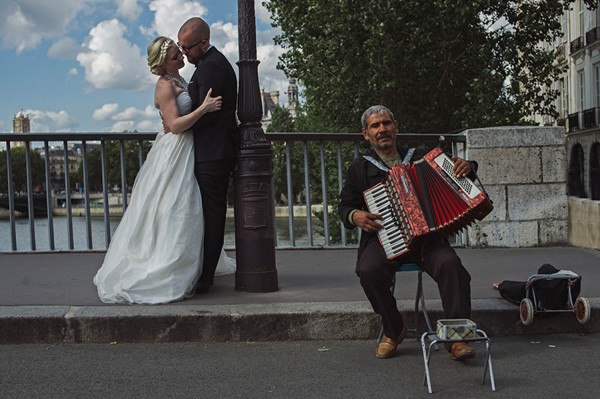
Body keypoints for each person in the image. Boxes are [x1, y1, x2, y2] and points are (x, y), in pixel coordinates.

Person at [93, 36, 235, 304]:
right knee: (172, 205)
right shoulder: (164, 86)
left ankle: (191, 260)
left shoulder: (180, 80)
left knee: (188, 206)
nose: (181, 57)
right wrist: (203, 109)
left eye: (180, 52)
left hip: (188, 148)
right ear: (162, 64)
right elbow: (176, 125)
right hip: (174, 149)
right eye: (174, 56)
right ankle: (168, 261)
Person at [338, 105, 476, 360]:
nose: (382, 130)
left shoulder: (423, 156)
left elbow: (461, 180)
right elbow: (345, 206)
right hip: (385, 237)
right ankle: (394, 329)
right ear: (366, 134)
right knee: (367, 270)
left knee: (452, 266)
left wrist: (468, 167)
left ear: (396, 126)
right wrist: (354, 215)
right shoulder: (360, 168)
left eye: (386, 123)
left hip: (428, 240)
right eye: (375, 126)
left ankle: (457, 339)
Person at [177, 17, 238, 294]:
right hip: (212, 150)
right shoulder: (208, 63)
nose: (183, 52)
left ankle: (206, 277)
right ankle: (204, 271)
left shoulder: (211, 67)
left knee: (212, 214)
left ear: (203, 43)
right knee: (205, 212)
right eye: (180, 47)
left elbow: (208, 113)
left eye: (187, 48)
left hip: (214, 152)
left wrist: (178, 124)